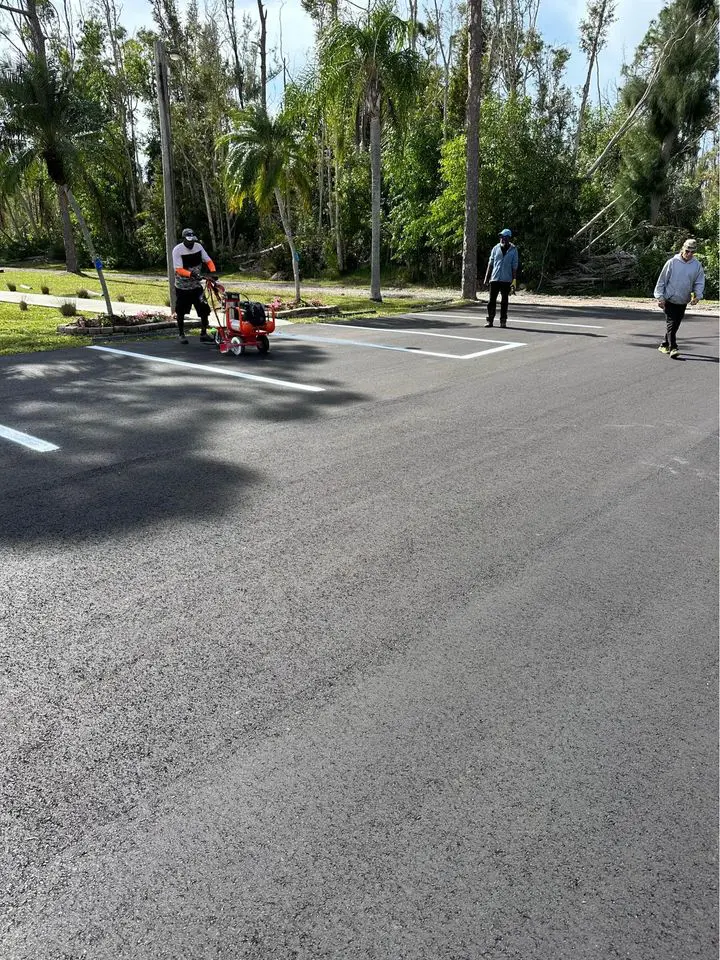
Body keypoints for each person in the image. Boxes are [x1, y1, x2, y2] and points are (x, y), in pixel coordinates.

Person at [654, 238, 705, 358]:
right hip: (669, 299)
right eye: (687, 251)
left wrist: (697, 295)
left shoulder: (696, 265)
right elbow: (662, 281)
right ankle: (673, 348)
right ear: (683, 249)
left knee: (675, 324)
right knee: (671, 323)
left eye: (692, 252)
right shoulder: (672, 262)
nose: (689, 254)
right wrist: (660, 297)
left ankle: (664, 344)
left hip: (683, 299)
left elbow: (699, 282)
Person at [171, 227, 217, 344]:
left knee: (204, 308)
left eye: (192, 241)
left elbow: (208, 260)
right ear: (184, 239)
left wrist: (212, 272)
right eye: (189, 241)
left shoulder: (198, 247)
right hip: (183, 287)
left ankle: (203, 333)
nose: (191, 244)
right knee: (180, 310)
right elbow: (179, 269)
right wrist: (191, 274)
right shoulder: (177, 250)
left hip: (196, 286)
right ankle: (181, 334)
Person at [483, 228, 519, 328]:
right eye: (501, 237)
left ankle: (503, 321)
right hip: (494, 278)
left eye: (504, 237)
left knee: (504, 301)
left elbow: (514, 266)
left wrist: (514, 280)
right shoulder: (495, 248)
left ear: (509, 238)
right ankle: (490, 320)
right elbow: (490, 264)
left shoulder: (514, 250)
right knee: (491, 301)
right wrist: (486, 278)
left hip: (506, 279)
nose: (502, 239)